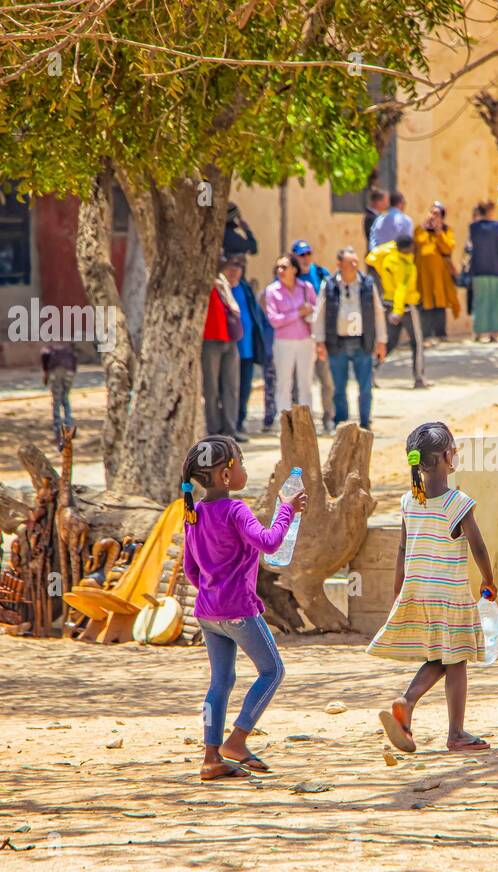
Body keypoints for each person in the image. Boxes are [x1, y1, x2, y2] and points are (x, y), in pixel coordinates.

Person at [180, 435, 307, 780]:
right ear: (225, 475)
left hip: (207, 613)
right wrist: (287, 510)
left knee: (220, 681)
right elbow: (269, 542)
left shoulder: (193, 513)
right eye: (242, 462)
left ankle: (211, 758)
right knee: (272, 671)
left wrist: (212, 592)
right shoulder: (236, 510)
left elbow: (191, 569)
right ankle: (236, 741)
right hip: (238, 610)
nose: (245, 469)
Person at [369, 421, 495, 754]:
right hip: (450, 595)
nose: (456, 453)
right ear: (444, 458)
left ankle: (406, 704)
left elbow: (401, 549)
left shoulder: (410, 502)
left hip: (420, 592)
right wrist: (488, 578)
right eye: (453, 448)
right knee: (458, 659)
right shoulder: (458, 502)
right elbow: (478, 545)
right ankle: (455, 734)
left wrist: (399, 590)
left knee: (441, 656)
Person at [314, 247, 387, 430]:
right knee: (339, 387)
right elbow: (319, 314)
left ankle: (365, 422)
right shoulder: (329, 285)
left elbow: (378, 313)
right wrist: (319, 342)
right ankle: (342, 424)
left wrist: (381, 341)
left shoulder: (367, 284)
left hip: (363, 341)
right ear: (339, 264)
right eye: (350, 262)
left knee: (365, 387)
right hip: (337, 342)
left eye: (356, 262)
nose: (354, 265)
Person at [367, 235, 428, 388]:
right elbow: (401, 290)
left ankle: (370, 371)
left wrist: (392, 245)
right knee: (417, 343)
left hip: (388, 303)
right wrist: (398, 311)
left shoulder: (388, 259)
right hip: (404, 307)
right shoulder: (406, 265)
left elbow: (370, 258)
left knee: (390, 342)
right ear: (407, 248)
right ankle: (419, 378)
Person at [263, 254, 319, 421]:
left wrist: (308, 311)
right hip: (283, 342)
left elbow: (316, 310)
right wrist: (298, 313)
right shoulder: (272, 291)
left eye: (284, 267)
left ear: (294, 269)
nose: (280, 270)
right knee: (283, 383)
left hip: (306, 340)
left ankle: (306, 422)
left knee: (305, 383)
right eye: (278, 267)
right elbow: (275, 320)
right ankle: (284, 423)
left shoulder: (306, 287)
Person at [226, 255, 273, 436]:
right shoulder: (223, 289)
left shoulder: (245, 289)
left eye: (239, 267)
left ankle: (239, 422)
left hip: (247, 350)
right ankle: (227, 425)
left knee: (245, 389)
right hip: (228, 349)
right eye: (232, 266)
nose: (235, 271)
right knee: (229, 390)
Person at [201, 255, 246, 441]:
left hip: (230, 339)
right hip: (210, 339)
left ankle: (230, 428)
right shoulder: (202, 284)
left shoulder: (224, 285)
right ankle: (213, 428)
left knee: (231, 386)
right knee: (211, 388)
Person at [291, 239, 335, 431]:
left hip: (319, 337)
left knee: (326, 379)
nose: (305, 258)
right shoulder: (288, 277)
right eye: (301, 255)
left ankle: (328, 418)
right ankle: (296, 423)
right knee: (298, 383)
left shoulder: (320, 274)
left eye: (308, 254)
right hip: (297, 337)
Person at [413, 201, 460, 343]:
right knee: (425, 303)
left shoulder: (446, 231)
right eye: (432, 213)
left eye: (437, 214)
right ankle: (426, 335)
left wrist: (439, 232)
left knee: (440, 302)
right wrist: (425, 226)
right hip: (423, 274)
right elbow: (417, 243)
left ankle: (441, 334)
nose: (433, 216)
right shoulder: (420, 229)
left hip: (441, 274)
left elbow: (447, 248)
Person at [465, 201, 498, 343]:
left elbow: (472, 246)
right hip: (497, 268)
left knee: (480, 302)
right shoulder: (496, 226)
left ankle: (477, 333)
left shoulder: (473, 227)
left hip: (479, 269)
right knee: (496, 302)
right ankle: (494, 334)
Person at [41, 342, 77, 447]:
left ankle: (57, 433)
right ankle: (69, 429)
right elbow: (74, 359)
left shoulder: (50, 346)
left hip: (55, 370)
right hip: (69, 370)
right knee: (65, 399)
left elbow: (45, 355)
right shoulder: (68, 346)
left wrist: (46, 373)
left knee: (56, 401)